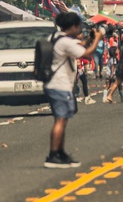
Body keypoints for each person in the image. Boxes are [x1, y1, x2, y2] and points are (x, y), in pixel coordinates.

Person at [43, 12, 103, 169]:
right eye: (79, 26)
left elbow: (80, 45)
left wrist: (89, 38)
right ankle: (53, 155)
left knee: (62, 119)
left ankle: (60, 153)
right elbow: (87, 54)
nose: (80, 29)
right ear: (74, 26)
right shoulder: (65, 42)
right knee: (60, 120)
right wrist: (97, 39)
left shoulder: (55, 37)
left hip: (55, 84)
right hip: (59, 85)